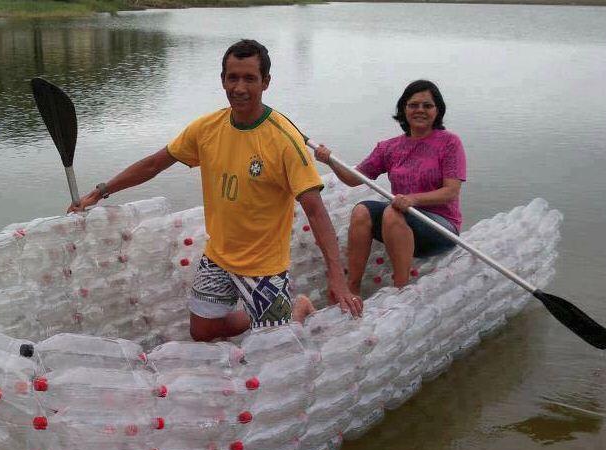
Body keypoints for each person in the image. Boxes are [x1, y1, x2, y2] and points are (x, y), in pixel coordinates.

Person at [70, 39, 360, 342]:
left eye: (249, 78)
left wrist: (336, 276)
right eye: (232, 77)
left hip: (264, 266)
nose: (239, 87)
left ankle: (296, 310)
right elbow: (154, 164)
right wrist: (101, 190)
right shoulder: (207, 128)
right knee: (202, 332)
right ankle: (266, 316)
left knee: (277, 348)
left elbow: (315, 209)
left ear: (266, 82)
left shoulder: (284, 140)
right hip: (219, 256)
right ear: (222, 80)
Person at [314, 79, 466, 291]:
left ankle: (400, 290)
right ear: (403, 109)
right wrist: (329, 160)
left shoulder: (450, 143)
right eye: (413, 105)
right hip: (400, 220)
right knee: (361, 211)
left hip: (440, 227)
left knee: (392, 212)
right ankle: (352, 288)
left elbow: (451, 191)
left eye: (427, 105)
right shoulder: (389, 147)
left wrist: (413, 199)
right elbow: (353, 178)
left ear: (437, 111)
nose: (420, 110)